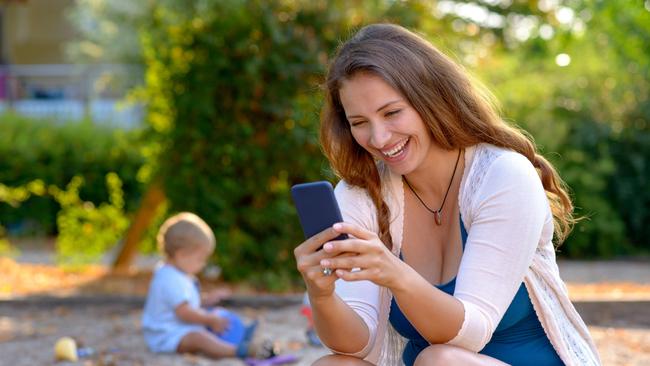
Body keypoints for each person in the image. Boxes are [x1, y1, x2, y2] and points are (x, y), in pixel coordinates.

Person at [294, 23, 600, 366]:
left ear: (430, 98)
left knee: (442, 360)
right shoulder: (361, 193)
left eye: (392, 113)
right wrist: (322, 295)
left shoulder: (502, 175)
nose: (379, 138)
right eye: (359, 122)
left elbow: (469, 335)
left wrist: (395, 273)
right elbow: (356, 348)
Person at [141, 212, 270, 360]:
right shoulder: (170, 279)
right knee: (199, 337)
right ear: (182, 254)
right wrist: (209, 320)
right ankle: (236, 350)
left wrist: (208, 300)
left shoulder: (178, 274)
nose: (203, 265)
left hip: (179, 327)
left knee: (216, 313)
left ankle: (240, 332)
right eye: (200, 259)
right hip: (166, 335)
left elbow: (187, 303)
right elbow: (184, 312)